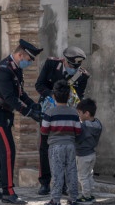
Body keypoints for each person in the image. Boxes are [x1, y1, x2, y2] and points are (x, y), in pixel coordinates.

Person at [0, 39, 44, 205]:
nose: (29, 63)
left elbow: (20, 93)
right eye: (29, 59)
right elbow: (10, 98)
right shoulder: (4, 70)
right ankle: (8, 192)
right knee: (8, 151)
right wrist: (29, 113)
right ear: (20, 54)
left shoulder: (14, 69)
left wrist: (33, 105)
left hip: (3, 114)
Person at [35, 46, 90, 195]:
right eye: (72, 66)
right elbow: (39, 84)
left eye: (76, 66)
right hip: (49, 111)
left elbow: (79, 96)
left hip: (67, 114)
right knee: (45, 147)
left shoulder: (82, 76)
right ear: (65, 61)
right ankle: (45, 183)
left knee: (67, 147)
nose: (74, 69)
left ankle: (65, 185)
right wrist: (51, 95)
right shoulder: (51, 65)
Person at [41, 79, 81, 205]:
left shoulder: (50, 113)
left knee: (57, 172)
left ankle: (56, 200)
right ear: (69, 96)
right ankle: (73, 199)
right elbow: (78, 130)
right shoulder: (74, 113)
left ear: (53, 96)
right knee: (71, 171)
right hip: (70, 145)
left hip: (55, 146)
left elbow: (44, 130)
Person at [75, 98, 103, 205]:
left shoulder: (83, 127)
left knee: (82, 176)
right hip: (92, 154)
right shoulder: (98, 124)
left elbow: (77, 138)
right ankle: (90, 194)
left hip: (83, 155)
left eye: (79, 113)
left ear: (86, 113)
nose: (79, 116)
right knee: (89, 174)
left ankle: (86, 196)